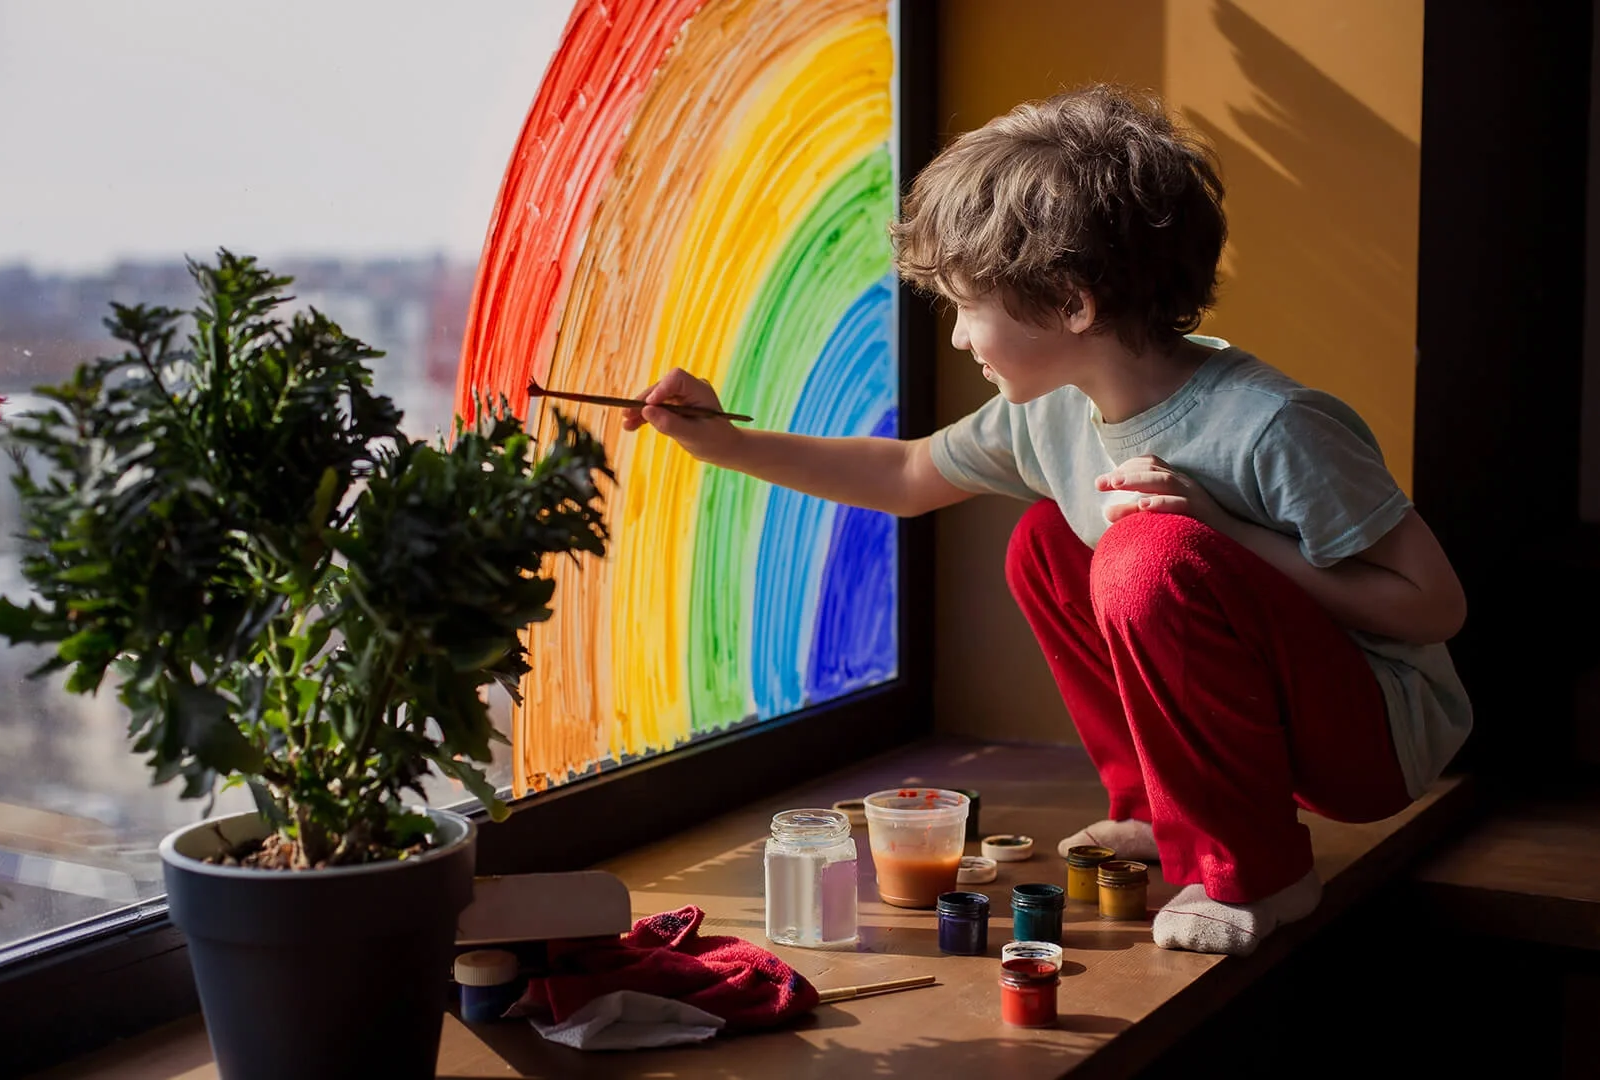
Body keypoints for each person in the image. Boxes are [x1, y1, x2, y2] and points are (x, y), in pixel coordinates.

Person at [620, 83, 1472, 957]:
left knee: (1148, 557)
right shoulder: (1051, 411)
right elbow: (910, 473)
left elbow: (1433, 607)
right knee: (1049, 543)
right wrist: (723, 444)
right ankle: (1156, 812)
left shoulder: (1272, 425)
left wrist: (1228, 534)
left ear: (1071, 304)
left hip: (1372, 740)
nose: (956, 338)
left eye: (966, 307)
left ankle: (1258, 872)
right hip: (1262, 715)